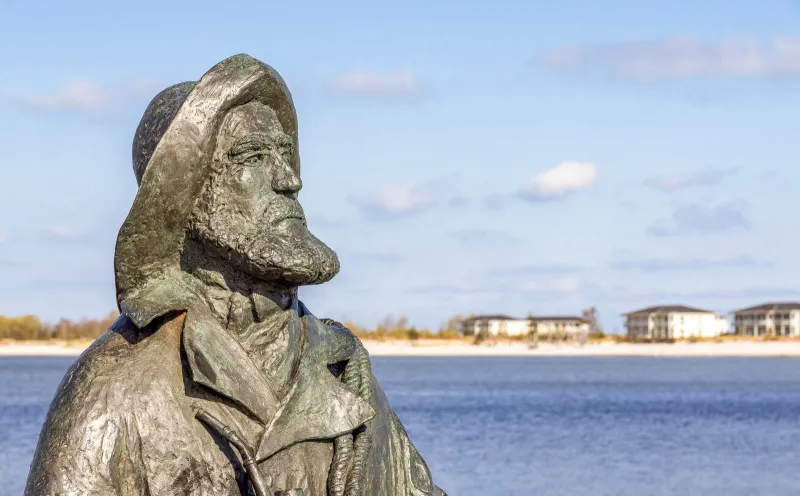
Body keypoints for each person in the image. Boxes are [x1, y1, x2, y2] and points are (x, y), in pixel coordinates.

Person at [26, 54, 445, 496]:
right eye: (253, 156)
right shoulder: (116, 390)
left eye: (285, 154)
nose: (289, 180)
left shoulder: (341, 370)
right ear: (181, 196)